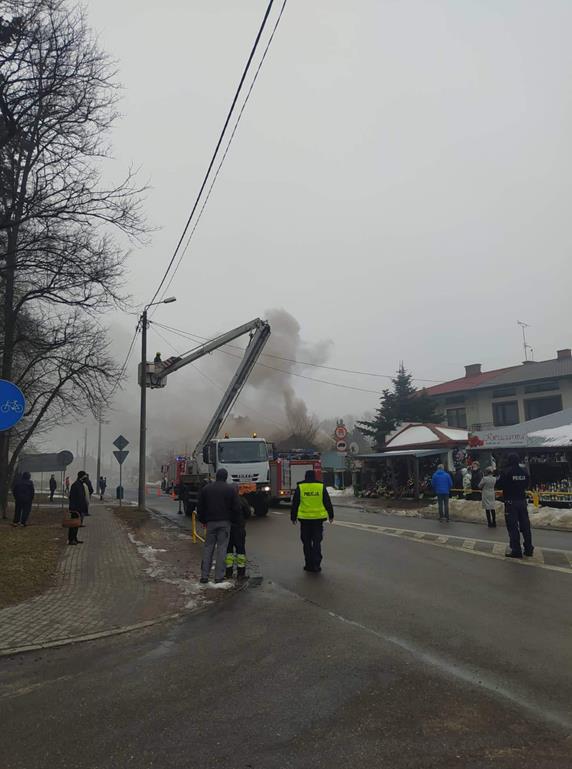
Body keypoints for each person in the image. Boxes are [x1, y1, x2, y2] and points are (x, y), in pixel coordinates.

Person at [197, 468, 240, 584]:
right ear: (226, 477)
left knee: (208, 548)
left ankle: (204, 576)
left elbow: (200, 506)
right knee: (222, 549)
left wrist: (203, 520)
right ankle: (218, 576)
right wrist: (233, 520)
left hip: (210, 523)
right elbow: (236, 508)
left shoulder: (206, 489)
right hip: (225, 523)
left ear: (216, 476)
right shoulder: (230, 490)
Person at [291, 469, 334, 573]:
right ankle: (316, 564)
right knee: (317, 542)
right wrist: (331, 515)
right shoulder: (320, 486)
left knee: (306, 543)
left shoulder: (300, 487)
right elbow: (327, 501)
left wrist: (293, 517)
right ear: (314, 476)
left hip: (304, 521)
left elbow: (295, 503)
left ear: (305, 477)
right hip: (318, 520)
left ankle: (308, 564)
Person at [496, 453, 533, 558]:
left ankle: (516, 550)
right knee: (525, 526)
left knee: (513, 527)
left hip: (511, 501)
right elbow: (527, 484)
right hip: (522, 500)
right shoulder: (524, 471)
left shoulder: (506, 471)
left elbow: (498, 485)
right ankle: (529, 548)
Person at [225, 493, 250, 580]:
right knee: (241, 551)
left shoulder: (226, 500)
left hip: (228, 529)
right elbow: (248, 513)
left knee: (228, 551)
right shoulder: (242, 500)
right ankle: (241, 573)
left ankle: (228, 572)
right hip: (239, 529)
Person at [68, 471, 88, 545]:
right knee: (73, 524)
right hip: (75, 508)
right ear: (82, 477)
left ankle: (75, 538)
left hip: (79, 508)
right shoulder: (75, 485)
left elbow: (82, 497)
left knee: (77, 524)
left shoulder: (80, 485)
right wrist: (73, 508)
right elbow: (72, 497)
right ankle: (71, 539)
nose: (86, 479)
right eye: (85, 477)